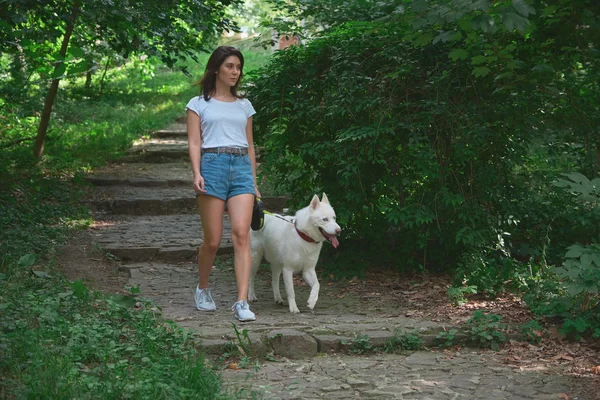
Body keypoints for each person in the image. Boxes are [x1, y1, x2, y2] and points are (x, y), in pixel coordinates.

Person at [186, 46, 260, 322]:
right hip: (213, 166)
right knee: (213, 241)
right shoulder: (198, 104)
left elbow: (250, 147)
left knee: (242, 234)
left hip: (241, 168)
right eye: (230, 66)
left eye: (238, 67)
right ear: (217, 68)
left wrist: (253, 181)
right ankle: (202, 288)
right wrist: (196, 172)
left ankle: (241, 301)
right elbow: (194, 142)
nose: (235, 72)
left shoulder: (244, 105)